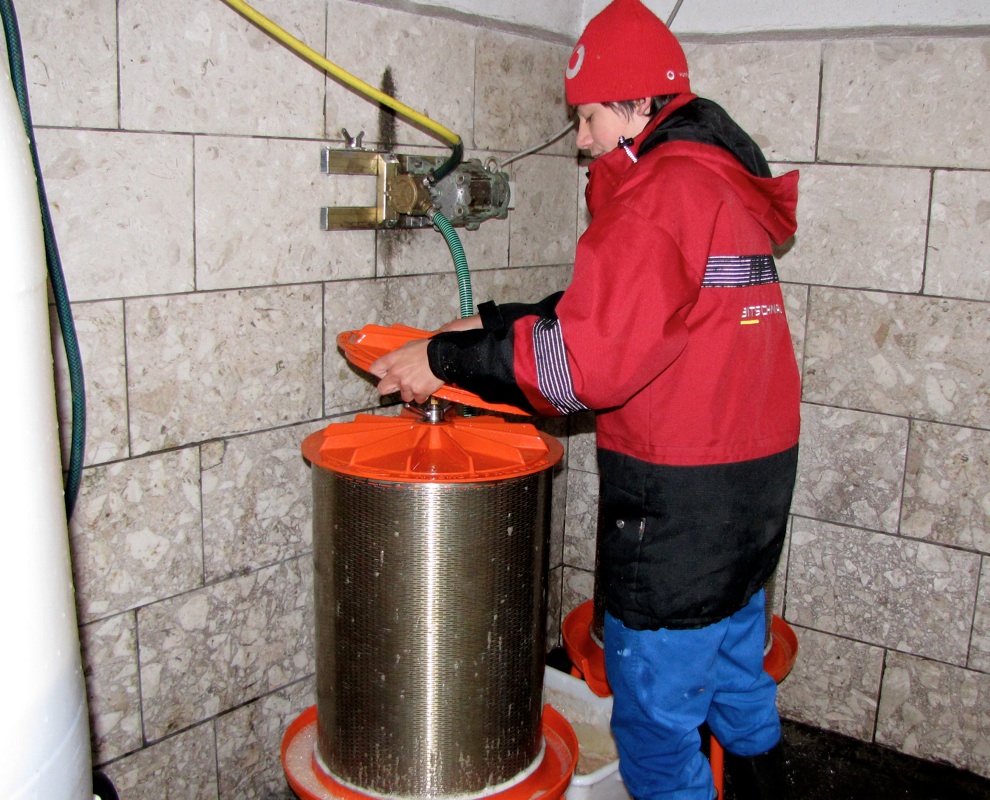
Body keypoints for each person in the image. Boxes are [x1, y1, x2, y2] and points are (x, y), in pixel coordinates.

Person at [370, 0, 800, 797]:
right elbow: (635, 311)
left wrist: (444, 361)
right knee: (737, 677)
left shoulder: (658, 194)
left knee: (656, 727)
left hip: (680, 503)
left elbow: (578, 367)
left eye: (590, 116)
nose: (581, 139)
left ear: (638, 104)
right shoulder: (716, 185)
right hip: (751, 494)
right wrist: (492, 323)